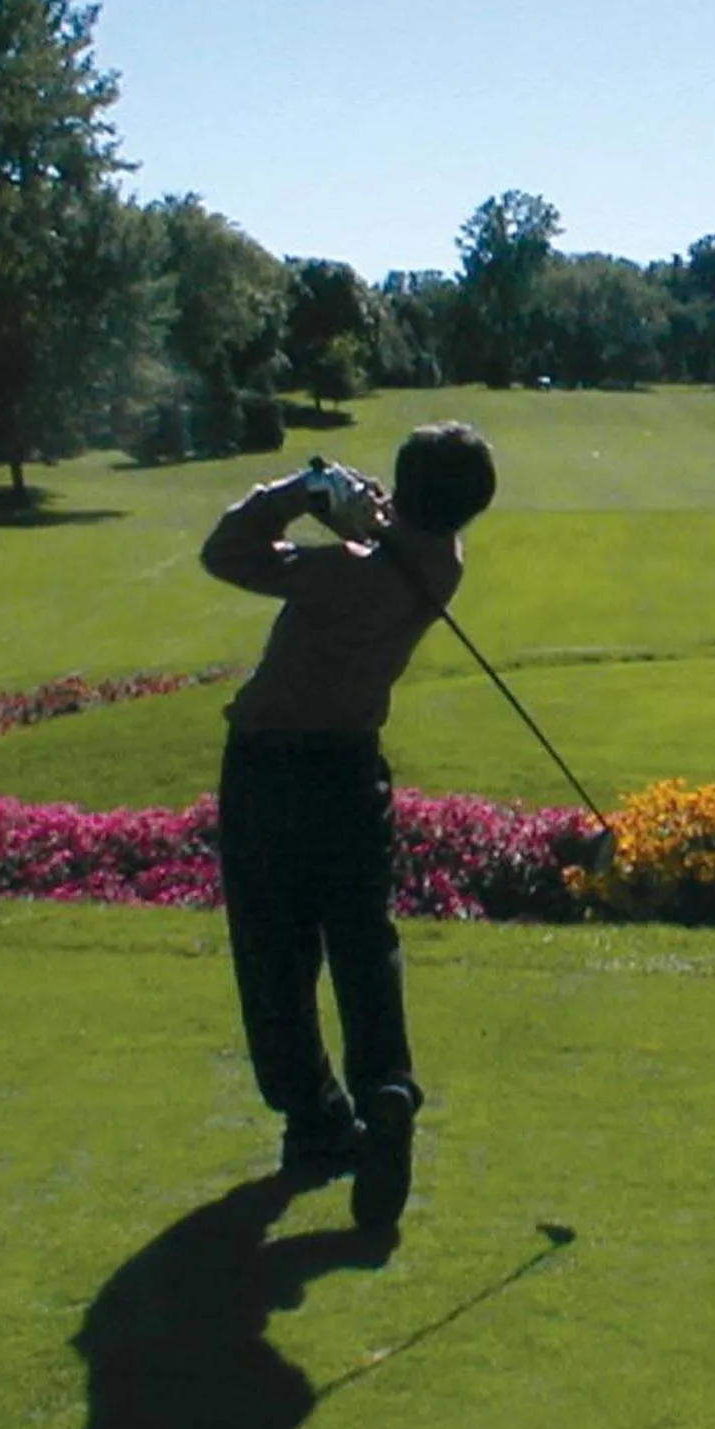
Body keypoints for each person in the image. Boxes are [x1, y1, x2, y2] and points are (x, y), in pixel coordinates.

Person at [200, 421, 497, 1229]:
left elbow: (226, 553)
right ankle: (387, 1088)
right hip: (352, 771)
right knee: (363, 943)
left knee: (275, 952)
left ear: (406, 493)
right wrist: (369, 521)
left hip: (269, 770)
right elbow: (400, 542)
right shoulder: (440, 564)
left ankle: (318, 1117)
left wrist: (302, 493)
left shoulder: (345, 576)